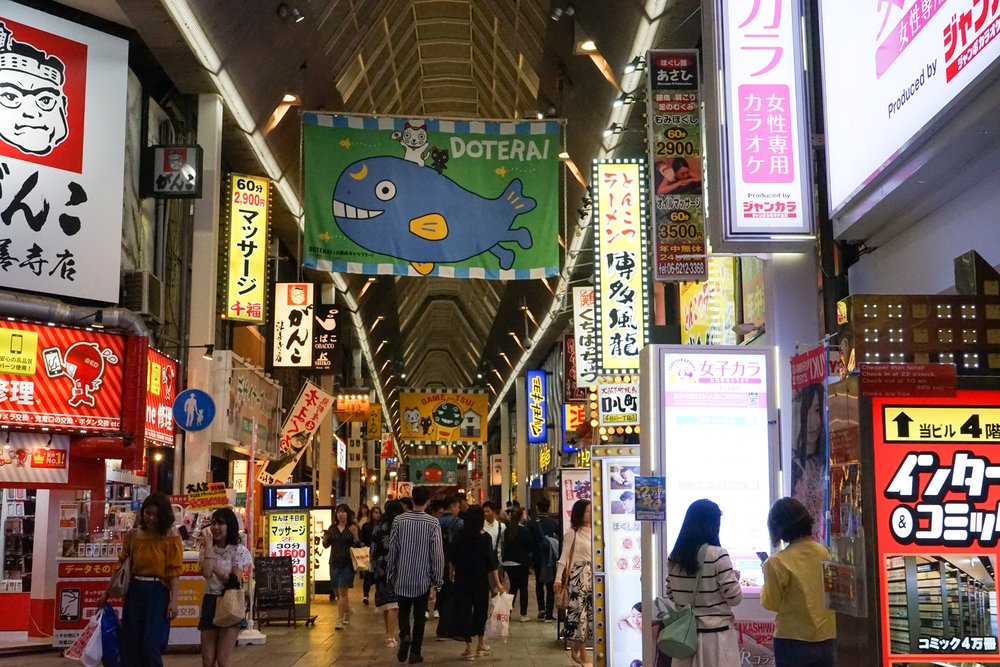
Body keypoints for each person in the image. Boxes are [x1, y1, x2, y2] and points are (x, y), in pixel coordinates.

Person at [101, 492, 182, 667]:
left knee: (151, 643)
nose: (151, 518)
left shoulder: (171, 537)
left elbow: (174, 572)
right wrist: (106, 594)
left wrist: (174, 601)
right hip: (134, 590)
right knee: (131, 642)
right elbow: (120, 565)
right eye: (148, 513)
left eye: (155, 514)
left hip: (158, 593)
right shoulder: (133, 536)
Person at [760, 497, 836, 667]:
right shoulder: (826, 553)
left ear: (777, 527)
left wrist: (765, 586)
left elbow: (771, 603)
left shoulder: (776, 562)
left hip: (792, 641)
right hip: (828, 636)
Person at [666, 499, 743, 667]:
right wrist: (734, 579)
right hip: (716, 638)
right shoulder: (718, 554)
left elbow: (670, 593)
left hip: (684, 639)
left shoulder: (674, 557)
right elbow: (735, 598)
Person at [388, 486, 444, 664]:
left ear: (412, 500)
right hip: (423, 578)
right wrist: (438, 581)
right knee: (420, 616)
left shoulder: (398, 520)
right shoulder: (433, 523)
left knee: (403, 611)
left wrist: (391, 575)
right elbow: (437, 554)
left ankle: (405, 634)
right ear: (428, 502)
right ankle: (415, 653)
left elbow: (393, 551)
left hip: (403, 576)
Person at [198, 507, 252, 667]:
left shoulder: (239, 550)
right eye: (213, 523)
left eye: (221, 523)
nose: (215, 527)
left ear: (230, 526)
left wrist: (216, 567)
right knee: (207, 660)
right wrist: (208, 549)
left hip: (230, 602)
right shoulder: (206, 548)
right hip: (210, 601)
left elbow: (234, 581)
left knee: (222, 658)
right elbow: (206, 572)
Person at [449, 505, 505, 661]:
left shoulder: (459, 536)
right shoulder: (485, 537)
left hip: (463, 579)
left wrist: (452, 573)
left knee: (465, 611)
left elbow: (452, 557)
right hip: (480, 580)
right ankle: (481, 644)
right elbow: (491, 563)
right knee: (481, 611)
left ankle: (469, 648)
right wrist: (498, 583)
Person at [555, 499, 593, 667]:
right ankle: (583, 653)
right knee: (580, 616)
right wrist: (558, 578)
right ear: (579, 513)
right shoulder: (573, 533)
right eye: (586, 511)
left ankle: (575, 649)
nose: (590, 513)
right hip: (578, 576)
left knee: (589, 616)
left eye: (591, 510)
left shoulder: (597, 532)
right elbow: (563, 558)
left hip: (594, 576)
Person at [791, 383, 828, 542]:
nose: (813, 422)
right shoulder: (797, 467)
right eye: (807, 411)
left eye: (818, 410)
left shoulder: (828, 464)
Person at [371, 500, 404, 648]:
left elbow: (372, 549)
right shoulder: (399, 527)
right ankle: (391, 636)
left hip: (380, 567)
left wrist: (373, 566)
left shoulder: (377, 527)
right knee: (394, 604)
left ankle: (387, 633)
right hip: (395, 567)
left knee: (386, 602)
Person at [323, 503, 361, 629]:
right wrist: (325, 539)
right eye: (339, 512)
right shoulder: (332, 528)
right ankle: (347, 610)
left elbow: (358, 546)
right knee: (337, 591)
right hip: (334, 562)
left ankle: (339, 619)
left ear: (348, 514)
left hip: (347, 563)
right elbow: (326, 545)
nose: (341, 514)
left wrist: (355, 535)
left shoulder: (352, 527)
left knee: (342, 590)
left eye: (343, 512)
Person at [529, 496, 560, 621]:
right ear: (548, 508)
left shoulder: (531, 523)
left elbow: (528, 541)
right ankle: (549, 612)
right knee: (550, 584)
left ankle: (541, 609)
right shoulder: (554, 523)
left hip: (537, 557)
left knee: (539, 582)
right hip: (551, 557)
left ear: (537, 508)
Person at [501, 506, 533, 622]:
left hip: (508, 562)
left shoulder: (507, 530)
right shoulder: (525, 531)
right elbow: (529, 547)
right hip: (521, 562)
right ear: (521, 516)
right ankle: (523, 614)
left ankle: (508, 612)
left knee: (513, 587)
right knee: (523, 588)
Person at [361, 506, 382, 605]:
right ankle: (366, 595)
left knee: (378, 576)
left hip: (378, 555)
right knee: (367, 576)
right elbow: (363, 539)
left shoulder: (382, 526)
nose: (377, 515)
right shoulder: (366, 526)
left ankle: (378, 595)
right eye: (375, 513)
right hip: (368, 553)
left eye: (379, 513)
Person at [482, 501, 505, 568]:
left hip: (498, 560)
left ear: (493, 511)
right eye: (484, 512)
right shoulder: (481, 526)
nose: (485, 513)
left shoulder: (501, 526)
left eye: (488, 511)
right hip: (484, 560)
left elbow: (503, 543)